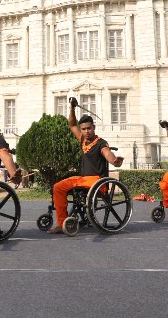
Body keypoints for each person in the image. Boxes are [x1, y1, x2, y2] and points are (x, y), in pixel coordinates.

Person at [48, 97, 124, 234]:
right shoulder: (83, 140)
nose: (86, 131)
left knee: (73, 184)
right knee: (58, 187)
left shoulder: (101, 143)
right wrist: (72, 108)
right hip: (83, 179)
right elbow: (71, 124)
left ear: (93, 128)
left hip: (97, 181)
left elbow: (108, 154)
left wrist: (115, 161)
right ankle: (62, 223)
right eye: (83, 129)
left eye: (89, 128)